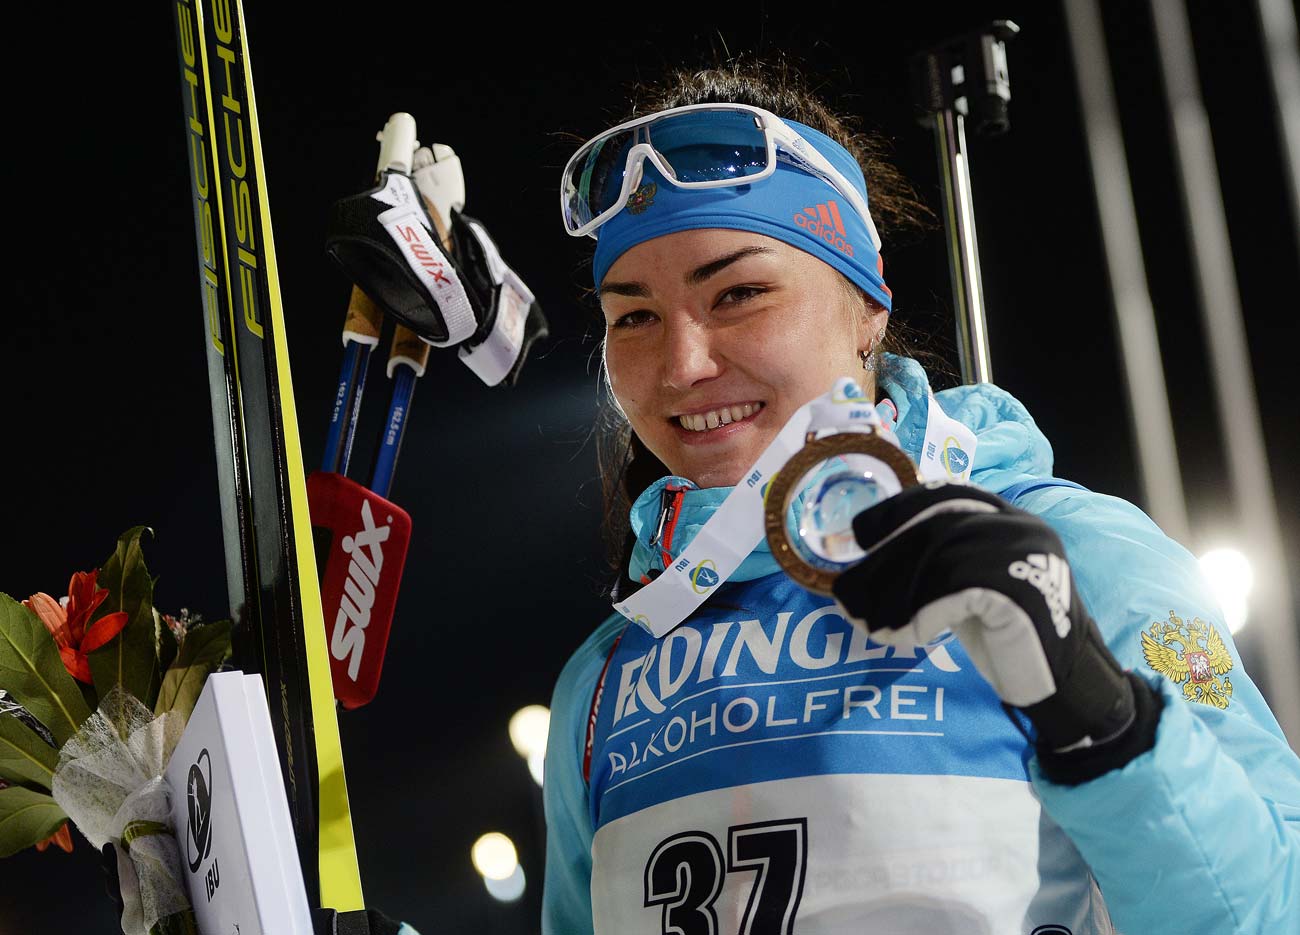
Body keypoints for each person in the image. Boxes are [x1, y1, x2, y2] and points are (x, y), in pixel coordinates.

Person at [541, 58, 1300, 934]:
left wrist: (1099, 713)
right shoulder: (606, 675)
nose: (682, 366)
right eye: (632, 316)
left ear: (868, 304)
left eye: (740, 292)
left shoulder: (1068, 552)